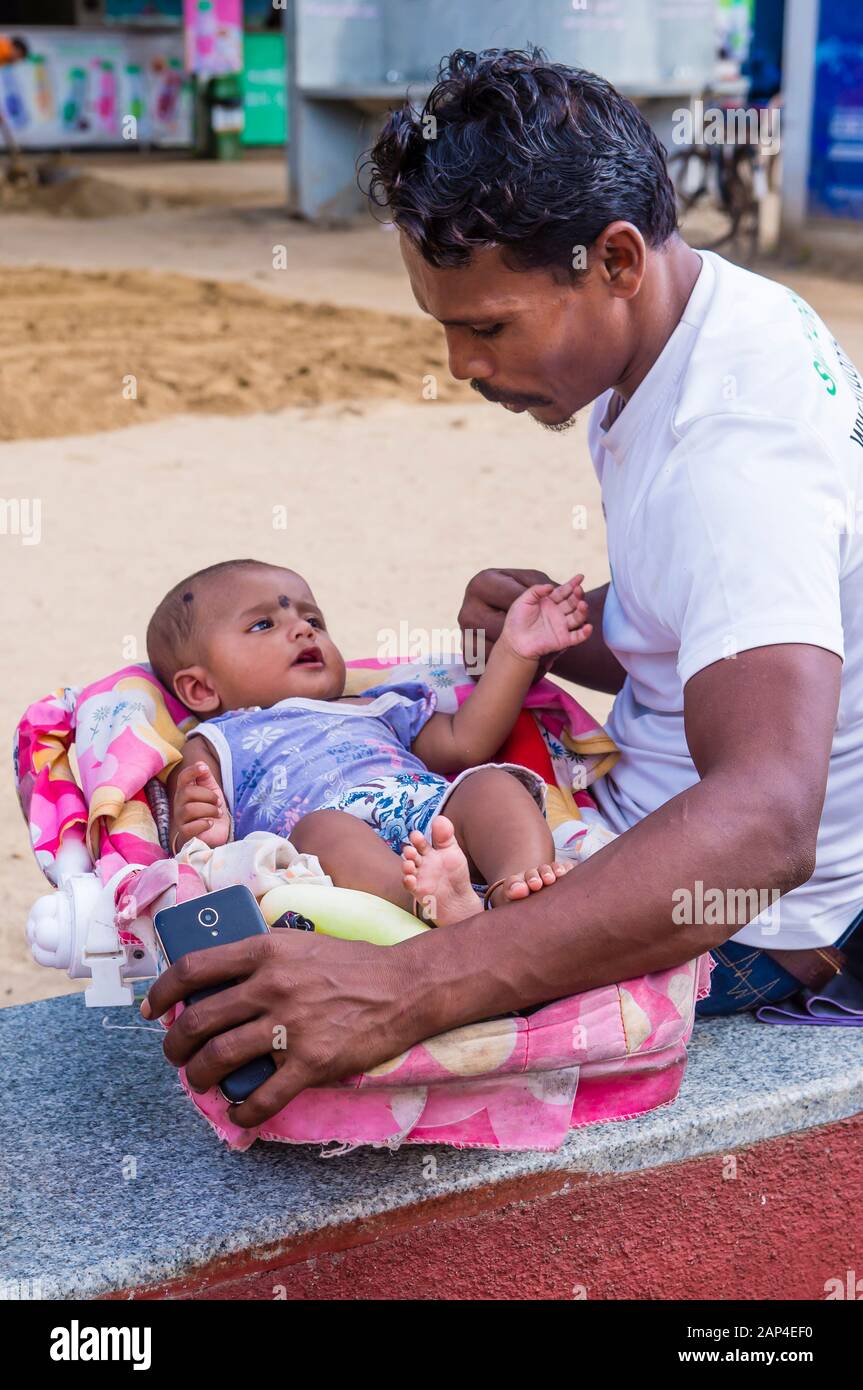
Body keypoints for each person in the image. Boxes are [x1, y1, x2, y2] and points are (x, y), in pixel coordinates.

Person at [143, 48, 863, 1125]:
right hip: (614, 830)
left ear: (612, 259)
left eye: (485, 327)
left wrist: (406, 987)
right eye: (444, 324)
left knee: (278, 990)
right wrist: (574, 634)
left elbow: (762, 822)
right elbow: (738, 613)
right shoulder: (693, 328)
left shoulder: (732, 451)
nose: (461, 364)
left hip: (744, 924)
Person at [148, 559, 586, 926]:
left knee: (489, 784)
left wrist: (516, 651)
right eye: (263, 624)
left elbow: (467, 741)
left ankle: (519, 886)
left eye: (313, 619)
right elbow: (192, 835)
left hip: (429, 816)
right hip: (326, 850)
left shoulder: (376, 705)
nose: (303, 630)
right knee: (322, 829)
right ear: (201, 690)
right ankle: (428, 904)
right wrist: (202, 828)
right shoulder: (215, 739)